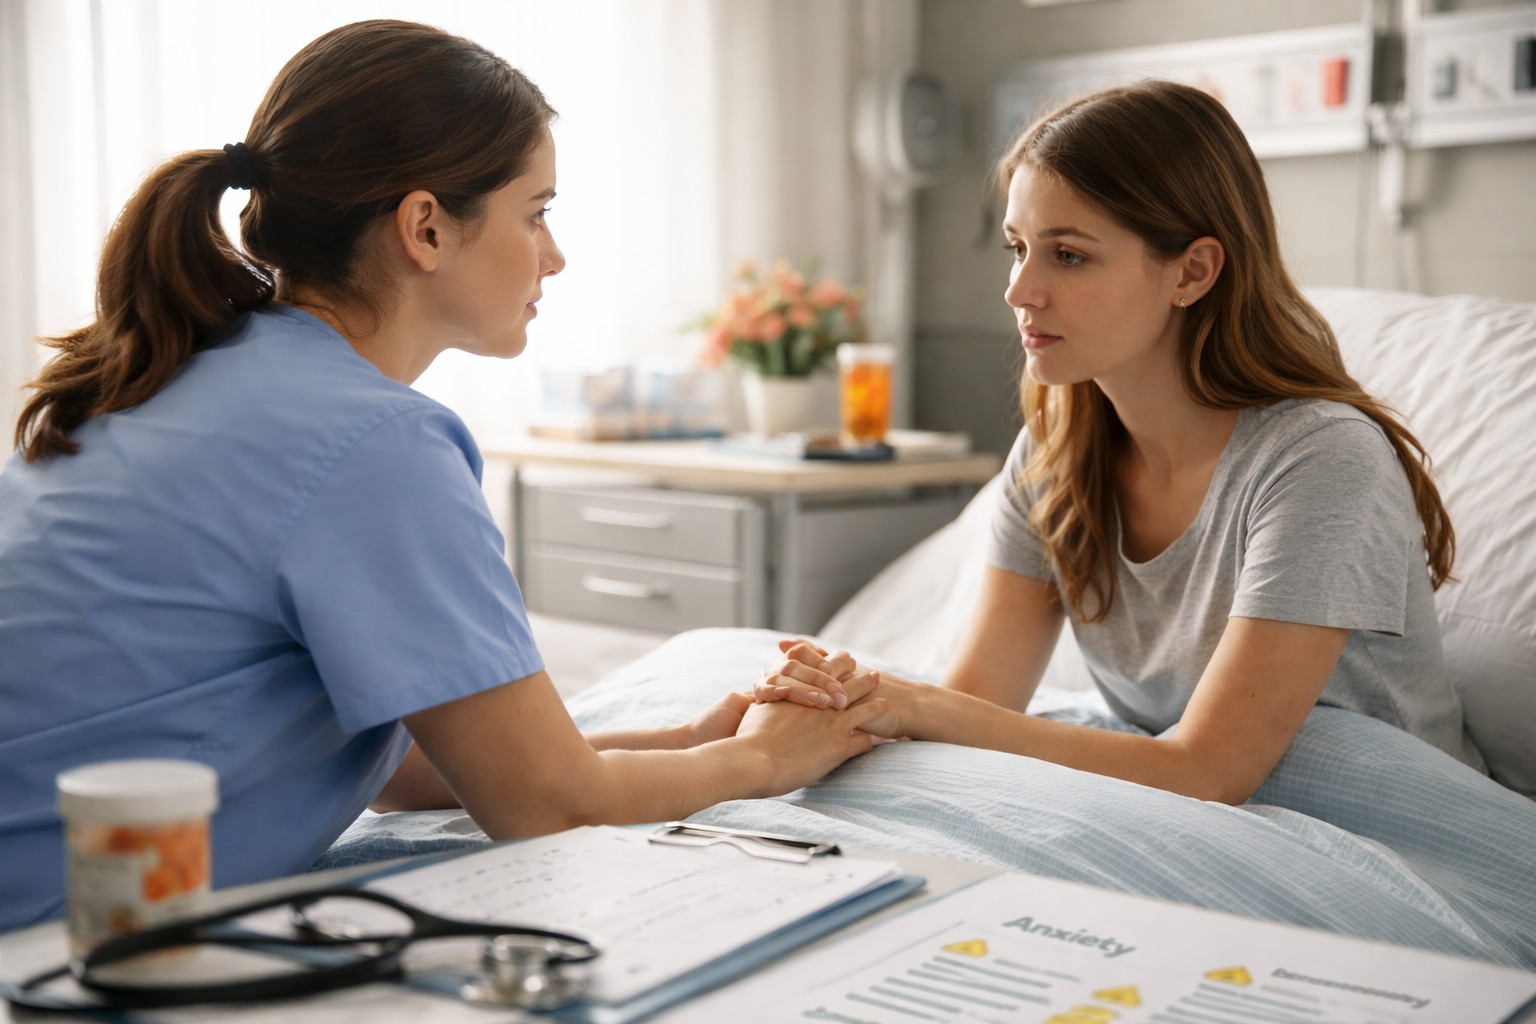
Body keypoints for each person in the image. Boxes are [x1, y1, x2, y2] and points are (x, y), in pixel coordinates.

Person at [0, 19, 886, 933]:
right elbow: (548, 807)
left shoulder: (177, 372)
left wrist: (688, 742)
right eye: (536, 213)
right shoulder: (371, 442)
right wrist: (768, 764)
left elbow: (405, 766)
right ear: (425, 227)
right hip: (54, 929)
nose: (555, 255)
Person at [755, 79, 1485, 804]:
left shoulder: (1321, 463)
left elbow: (1208, 772)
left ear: (1192, 272)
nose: (1019, 291)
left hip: (1388, 822)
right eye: (1018, 248)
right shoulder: (1055, 459)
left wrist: (916, 702)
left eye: (1068, 255)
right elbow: (981, 704)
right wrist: (838, 703)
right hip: (1206, 812)